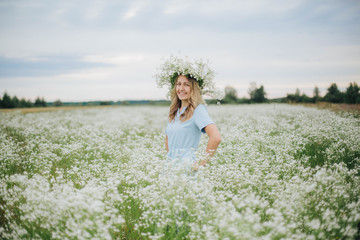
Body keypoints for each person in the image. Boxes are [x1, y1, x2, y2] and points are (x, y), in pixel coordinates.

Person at [164, 74, 221, 170]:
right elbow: (168, 139)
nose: (181, 88)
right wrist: (172, 161)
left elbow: (216, 137)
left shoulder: (198, 110)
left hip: (188, 168)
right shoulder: (174, 111)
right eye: (178, 84)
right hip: (171, 168)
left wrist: (201, 163)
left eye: (186, 85)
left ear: (194, 88)